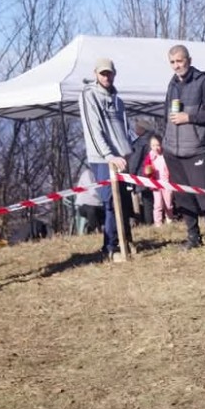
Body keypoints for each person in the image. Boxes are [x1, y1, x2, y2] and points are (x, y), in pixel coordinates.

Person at [163, 44, 205, 253]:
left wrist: (189, 117)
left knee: (204, 196)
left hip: (196, 150)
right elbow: (166, 115)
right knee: (182, 196)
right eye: (172, 62)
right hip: (172, 151)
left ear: (189, 61)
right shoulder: (172, 84)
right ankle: (193, 236)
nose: (176, 66)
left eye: (179, 61)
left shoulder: (202, 81)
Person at [79, 57, 133, 261]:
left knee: (125, 201)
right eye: (102, 73)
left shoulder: (118, 100)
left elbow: (124, 128)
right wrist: (109, 155)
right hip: (104, 159)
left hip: (122, 157)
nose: (106, 77)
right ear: (96, 74)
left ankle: (125, 240)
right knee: (110, 202)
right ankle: (109, 246)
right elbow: (94, 130)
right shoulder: (89, 95)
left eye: (109, 73)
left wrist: (128, 149)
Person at [143, 134, 174, 224]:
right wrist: (147, 171)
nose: (155, 148)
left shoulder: (165, 155)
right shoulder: (150, 156)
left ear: (161, 145)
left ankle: (169, 219)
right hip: (156, 184)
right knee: (158, 204)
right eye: (153, 145)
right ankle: (158, 222)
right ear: (150, 146)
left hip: (167, 183)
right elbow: (146, 168)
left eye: (158, 145)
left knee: (168, 203)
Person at [74, 166, 105, 234]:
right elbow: (93, 191)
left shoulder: (103, 175)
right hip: (84, 205)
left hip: (100, 204)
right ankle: (94, 230)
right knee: (92, 210)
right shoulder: (88, 174)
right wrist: (105, 195)